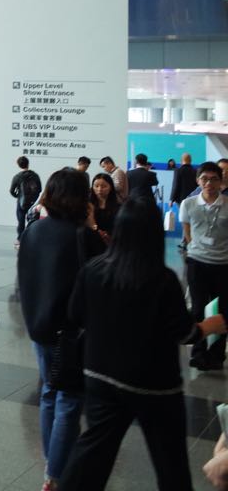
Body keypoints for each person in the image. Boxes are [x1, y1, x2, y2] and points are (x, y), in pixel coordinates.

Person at [58, 199, 227, 490]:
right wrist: (210, 325)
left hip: (100, 376)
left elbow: (75, 315)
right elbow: (183, 333)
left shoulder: (93, 270)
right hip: (154, 387)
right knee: (170, 461)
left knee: (92, 453)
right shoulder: (162, 280)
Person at [17, 169, 107, 491]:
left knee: (49, 392)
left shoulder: (33, 230)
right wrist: (93, 225)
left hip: (38, 326)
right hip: (70, 332)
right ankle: (55, 476)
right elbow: (104, 278)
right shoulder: (84, 236)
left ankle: (51, 463)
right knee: (69, 399)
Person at [179, 162, 228, 371]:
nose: (209, 183)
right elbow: (187, 231)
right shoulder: (188, 203)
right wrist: (196, 248)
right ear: (198, 181)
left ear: (221, 181)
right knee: (199, 308)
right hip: (197, 263)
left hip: (223, 264)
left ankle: (216, 355)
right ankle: (198, 354)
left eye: (214, 179)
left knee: (222, 310)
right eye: (205, 179)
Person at [11, 156, 43, 240]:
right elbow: (40, 189)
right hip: (33, 202)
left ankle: (20, 239)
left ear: (19, 165)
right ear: (28, 164)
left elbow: (11, 191)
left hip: (21, 202)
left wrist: (18, 196)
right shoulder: (35, 176)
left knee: (21, 222)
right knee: (32, 221)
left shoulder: (17, 177)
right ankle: (32, 238)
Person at [88, 173, 119, 240]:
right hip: (92, 237)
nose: (99, 189)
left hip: (111, 238)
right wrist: (98, 231)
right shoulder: (89, 204)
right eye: (96, 186)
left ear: (111, 187)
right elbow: (89, 224)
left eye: (104, 186)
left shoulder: (118, 205)